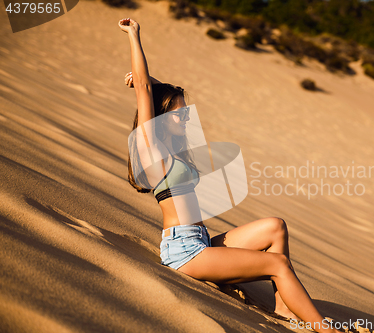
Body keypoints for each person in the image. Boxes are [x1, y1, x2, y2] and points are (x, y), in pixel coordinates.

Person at [118, 17, 340, 333]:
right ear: (161, 118)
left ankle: (281, 306)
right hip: (185, 252)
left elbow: (153, 91)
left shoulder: (176, 150)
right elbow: (142, 90)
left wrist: (155, 82)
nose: (185, 118)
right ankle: (323, 328)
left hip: (202, 241)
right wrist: (135, 37)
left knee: (275, 227)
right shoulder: (153, 151)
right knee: (277, 265)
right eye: (179, 113)